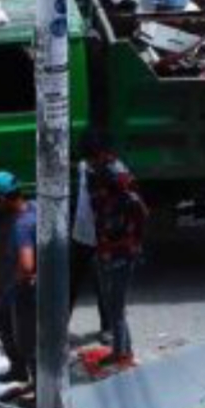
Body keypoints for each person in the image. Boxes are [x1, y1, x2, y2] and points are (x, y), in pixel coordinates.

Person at [82, 131, 147, 367]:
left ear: (99, 154)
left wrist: (131, 243)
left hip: (121, 251)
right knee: (113, 304)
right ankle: (122, 351)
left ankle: (122, 355)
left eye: (91, 158)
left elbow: (139, 212)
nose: (89, 163)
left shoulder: (116, 178)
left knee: (115, 307)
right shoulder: (101, 173)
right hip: (111, 249)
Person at [0, 171, 38, 385]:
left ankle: (41, 392)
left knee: (28, 342)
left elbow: (26, 265)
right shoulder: (34, 207)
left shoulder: (21, 226)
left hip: (28, 289)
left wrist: (17, 282)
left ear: (3, 199)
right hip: (35, 284)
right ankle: (18, 369)